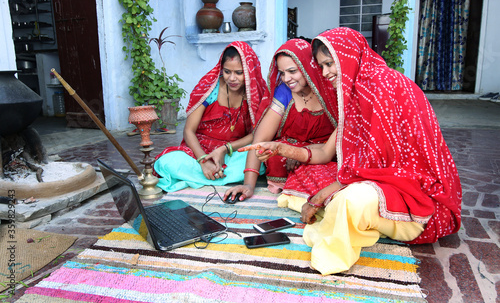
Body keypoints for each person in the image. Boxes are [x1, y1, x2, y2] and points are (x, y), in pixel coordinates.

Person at [240, 27, 462, 275]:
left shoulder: (384, 86)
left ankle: (331, 257)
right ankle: (354, 221)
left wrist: (321, 196)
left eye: (329, 64)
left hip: (413, 190)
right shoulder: (353, 93)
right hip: (379, 181)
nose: (325, 73)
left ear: (348, 55)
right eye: (321, 66)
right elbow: (328, 153)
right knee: (319, 183)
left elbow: (376, 167)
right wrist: (281, 148)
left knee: (349, 201)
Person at [224, 38, 336, 202]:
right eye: (282, 73)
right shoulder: (284, 92)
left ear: (308, 67)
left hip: (326, 150)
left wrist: (298, 153)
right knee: (276, 158)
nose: (286, 78)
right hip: (286, 151)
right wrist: (248, 185)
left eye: (292, 71)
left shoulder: (330, 89)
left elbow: (342, 141)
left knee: (323, 166)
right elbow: (260, 140)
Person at [153, 41, 269, 192]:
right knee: (167, 163)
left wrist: (223, 149)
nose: (232, 78)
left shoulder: (256, 92)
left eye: (239, 73)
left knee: (262, 159)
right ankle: (216, 174)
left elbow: (258, 134)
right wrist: (203, 160)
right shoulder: (209, 88)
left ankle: (205, 177)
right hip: (201, 150)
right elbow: (189, 130)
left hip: (234, 150)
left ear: (249, 71)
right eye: (227, 72)